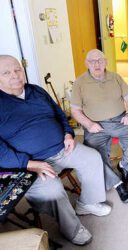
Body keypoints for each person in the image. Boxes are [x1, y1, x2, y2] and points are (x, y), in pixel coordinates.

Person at [0, 55, 111, 245]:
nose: (16, 76)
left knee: (92, 158)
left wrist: (68, 134)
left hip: (61, 148)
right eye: (6, 73)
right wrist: (28, 164)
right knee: (53, 189)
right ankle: (72, 229)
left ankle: (87, 203)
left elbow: (59, 114)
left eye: (17, 69)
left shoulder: (36, 90)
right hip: (29, 165)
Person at [71, 49, 128, 203]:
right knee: (94, 156)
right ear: (86, 64)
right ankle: (118, 184)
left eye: (100, 60)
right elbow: (75, 111)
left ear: (105, 62)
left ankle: (124, 166)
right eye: (92, 61)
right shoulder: (79, 83)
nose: (97, 64)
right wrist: (89, 124)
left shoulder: (116, 77)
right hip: (95, 125)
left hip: (120, 120)